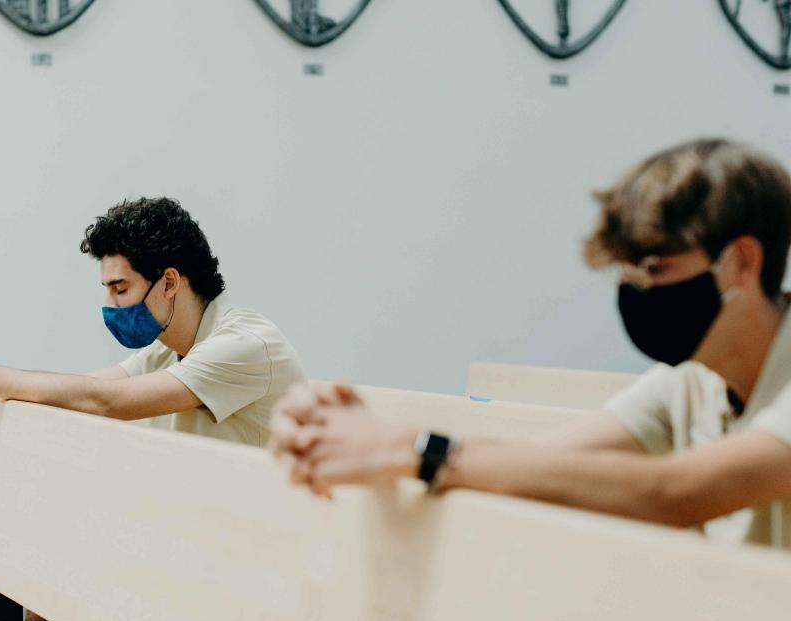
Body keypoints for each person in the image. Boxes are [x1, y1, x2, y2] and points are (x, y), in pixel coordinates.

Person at [271, 139, 791, 547]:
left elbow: (672, 494)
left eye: (655, 268)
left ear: (743, 261)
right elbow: (539, 463)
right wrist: (350, 433)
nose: (640, 292)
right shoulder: (689, 382)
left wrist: (404, 448)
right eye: (628, 274)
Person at [0, 197, 306, 621]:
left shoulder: (245, 344)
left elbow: (105, 403)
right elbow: (80, 393)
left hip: (255, 566)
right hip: (195, 544)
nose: (109, 305)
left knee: (59, 609)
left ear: (169, 281)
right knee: (48, 607)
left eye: (120, 289)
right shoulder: (167, 349)